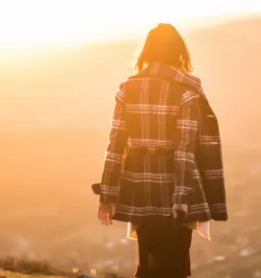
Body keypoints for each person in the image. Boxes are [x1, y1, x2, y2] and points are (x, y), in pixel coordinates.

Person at [96, 23, 227, 278]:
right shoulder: (187, 92)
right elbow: (184, 150)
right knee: (176, 265)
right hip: (174, 187)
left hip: (138, 185)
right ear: (179, 53)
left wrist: (108, 194)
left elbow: (115, 145)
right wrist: (180, 197)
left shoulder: (127, 88)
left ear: (147, 52)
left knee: (147, 262)